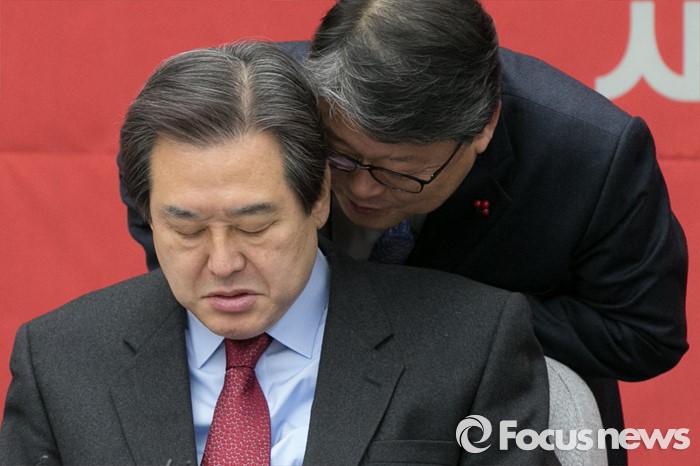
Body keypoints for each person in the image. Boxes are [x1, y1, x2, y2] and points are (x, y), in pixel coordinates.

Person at [115, 1, 687, 465]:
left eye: (403, 173)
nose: (363, 190)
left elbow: (643, 335)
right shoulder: (264, 104)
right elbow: (160, 192)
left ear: (484, 126)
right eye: (342, 158)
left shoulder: (591, 154)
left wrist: (453, 317)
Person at [0, 41, 557, 465]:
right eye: (187, 230)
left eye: (255, 226)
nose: (222, 263)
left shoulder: (470, 345)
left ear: (318, 198)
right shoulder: (60, 361)